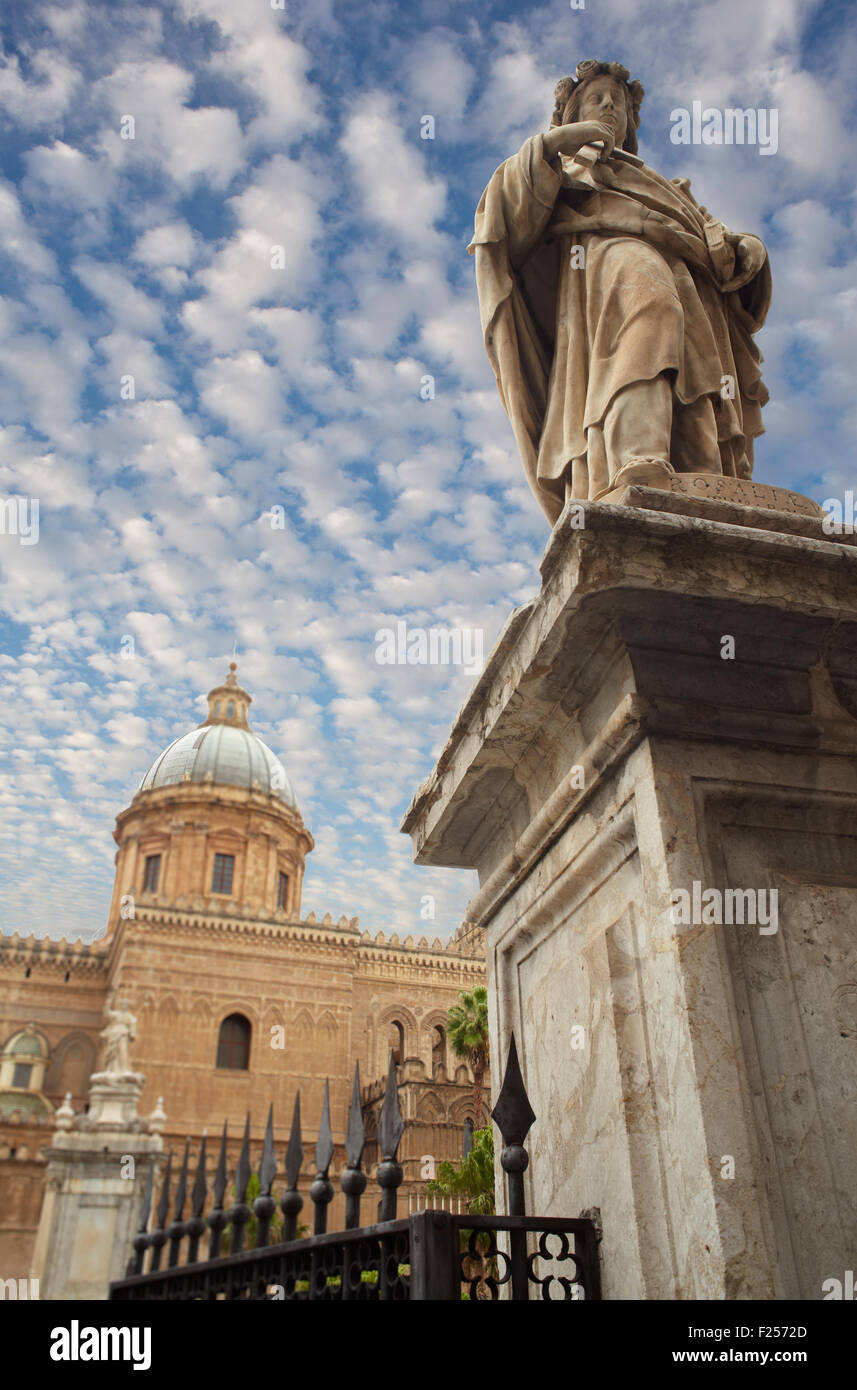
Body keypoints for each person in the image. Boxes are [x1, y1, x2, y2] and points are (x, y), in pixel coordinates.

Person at [470, 59, 771, 525]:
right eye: (596, 98)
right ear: (570, 113)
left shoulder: (667, 189)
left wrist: (748, 249)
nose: (609, 105)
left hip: (691, 277)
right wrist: (552, 146)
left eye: (619, 102)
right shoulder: (563, 166)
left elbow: (718, 239)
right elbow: (501, 224)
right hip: (603, 259)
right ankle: (637, 457)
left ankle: (701, 474)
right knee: (649, 302)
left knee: (696, 369)